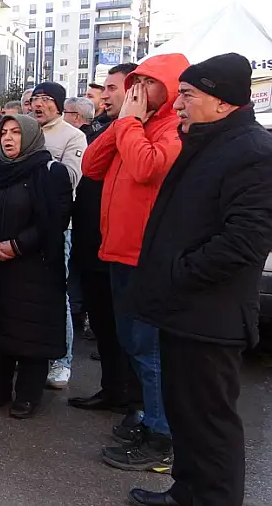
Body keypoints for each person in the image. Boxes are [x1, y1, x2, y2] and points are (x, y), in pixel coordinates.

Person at [125, 54, 272, 506]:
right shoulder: (208, 141)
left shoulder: (251, 152)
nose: (179, 103)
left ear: (224, 103)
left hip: (210, 314)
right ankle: (187, 491)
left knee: (210, 421)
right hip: (184, 309)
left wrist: (178, 274)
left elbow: (244, 242)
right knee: (187, 415)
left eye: (188, 95)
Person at [82, 52, 188, 473]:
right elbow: (92, 166)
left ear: (172, 88)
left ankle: (162, 437)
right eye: (135, 82)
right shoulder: (135, 125)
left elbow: (146, 168)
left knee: (150, 350)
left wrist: (128, 122)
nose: (136, 91)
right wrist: (125, 122)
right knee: (135, 346)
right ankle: (150, 419)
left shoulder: (173, 130)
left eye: (148, 83)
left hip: (146, 258)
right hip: (119, 252)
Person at [0, 115, 73, 419]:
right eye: (4, 132)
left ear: (32, 136)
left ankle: (28, 393)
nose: (8, 138)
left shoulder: (50, 172)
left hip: (34, 266)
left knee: (30, 329)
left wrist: (17, 245)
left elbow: (54, 218)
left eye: (16, 133)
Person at [68, 63, 142, 416]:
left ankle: (136, 403)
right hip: (93, 247)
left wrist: (128, 124)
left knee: (129, 333)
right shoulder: (104, 128)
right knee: (103, 326)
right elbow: (91, 169)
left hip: (123, 253)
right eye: (105, 89)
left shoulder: (143, 133)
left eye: (114, 88)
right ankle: (112, 389)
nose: (104, 95)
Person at [28, 82, 87, 390]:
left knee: (56, 291)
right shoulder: (23, 130)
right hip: (20, 225)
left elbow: (72, 178)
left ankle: (61, 360)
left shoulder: (72, 136)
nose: (38, 104)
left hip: (56, 226)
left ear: (60, 105)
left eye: (46, 99)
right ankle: (28, 354)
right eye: (35, 98)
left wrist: (37, 162)